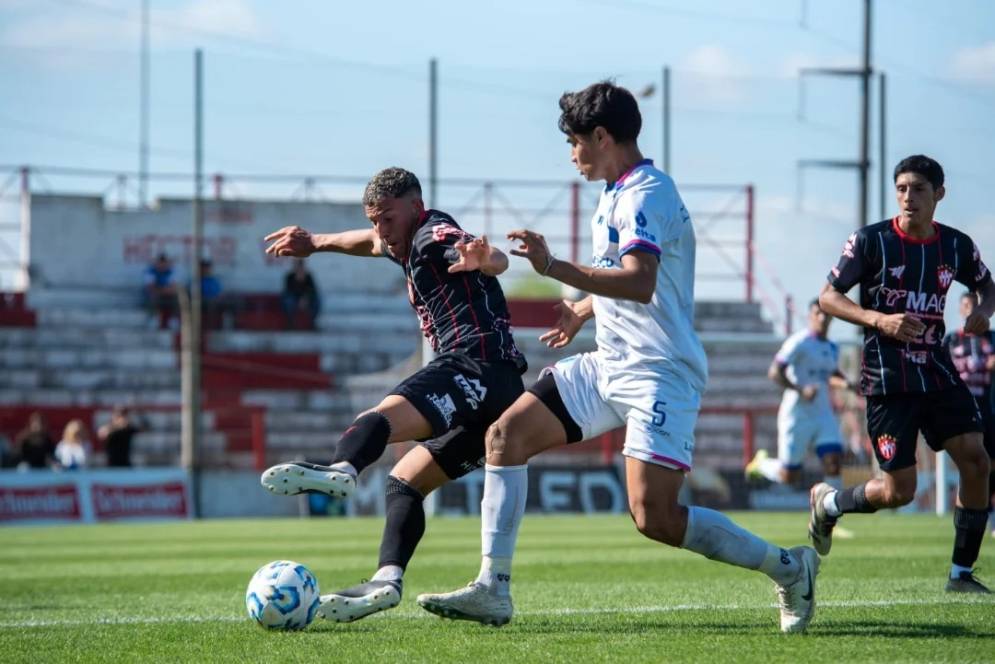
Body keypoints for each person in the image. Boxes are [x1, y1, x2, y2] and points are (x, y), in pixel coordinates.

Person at [415, 81, 819, 633]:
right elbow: (626, 280)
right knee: (504, 437)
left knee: (654, 518)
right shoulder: (615, 191)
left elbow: (641, 280)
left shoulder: (645, 193)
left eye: (575, 142)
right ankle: (492, 588)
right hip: (609, 363)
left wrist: (554, 267)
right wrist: (583, 308)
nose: (572, 154)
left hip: (660, 372)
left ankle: (791, 568)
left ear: (602, 136)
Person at [259, 167, 527, 623]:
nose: (381, 230)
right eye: (374, 219)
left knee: (381, 415)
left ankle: (343, 467)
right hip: (498, 391)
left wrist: (487, 259)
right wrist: (316, 243)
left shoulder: (431, 235)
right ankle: (387, 578)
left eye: (387, 218)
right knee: (405, 481)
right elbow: (367, 243)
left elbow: (487, 254)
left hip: (473, 366)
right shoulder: (402, 241)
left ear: (414, 207)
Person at [812, 155, 994, 593]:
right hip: (888, 377)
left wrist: (985, 310)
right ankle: (829, 503)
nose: (908, 198)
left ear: (939, 195)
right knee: (900, 492)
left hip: (936, 369)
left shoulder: (956, 245)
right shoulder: (870, 241)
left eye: (918, 189)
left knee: (976, 460)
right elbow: (828, 298)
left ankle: (961, 575)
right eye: (902, 189)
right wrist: (878, 319)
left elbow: (986, 284)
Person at [746, 299, 856, 489]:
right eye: (817, 313)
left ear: (832, 317)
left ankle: (831, 512)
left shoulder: (832, 347)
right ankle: (761, 464)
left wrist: (846, 383)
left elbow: (827, 374)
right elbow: (774, 372)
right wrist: (801, 389)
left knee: (833, 463)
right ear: (810, 316)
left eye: (826, 314)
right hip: (796, 415)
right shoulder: (798, 342)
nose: (822, 318)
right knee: (789, 476)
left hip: (823, 414)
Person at [944, 291, 995, 540]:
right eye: (966, 305)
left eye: (975, 305)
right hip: (962, 410)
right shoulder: (952, 340)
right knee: (972, 463)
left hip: (989, 408)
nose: (970, 309)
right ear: (961, 309)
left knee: (989, 463)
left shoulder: (991, 338)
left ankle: (988, 514)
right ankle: (969, 518)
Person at [281, 258, 321, 329]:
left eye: (300, 265)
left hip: (306, 300)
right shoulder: (290, 276)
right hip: (294, 299)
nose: (299, 268)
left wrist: (305, 298)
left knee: (317, 301)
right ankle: (290, 323)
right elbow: (288, 290)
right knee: (288, 301)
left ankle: (312, 322)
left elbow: (313, 290)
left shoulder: (308, 276)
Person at [143, 252, 177, 329]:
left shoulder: (170, 272)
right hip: (154, 296)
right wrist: (164, 290)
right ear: (157, 263)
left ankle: (173, 319)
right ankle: (153, 318)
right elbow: (150, 288)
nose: (162, 265)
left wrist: (161, 290)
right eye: (160, 263)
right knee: (153, 297)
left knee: (176, 298)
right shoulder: (150, 272)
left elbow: (173, 288)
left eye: (164, 263)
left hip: (166, 295)